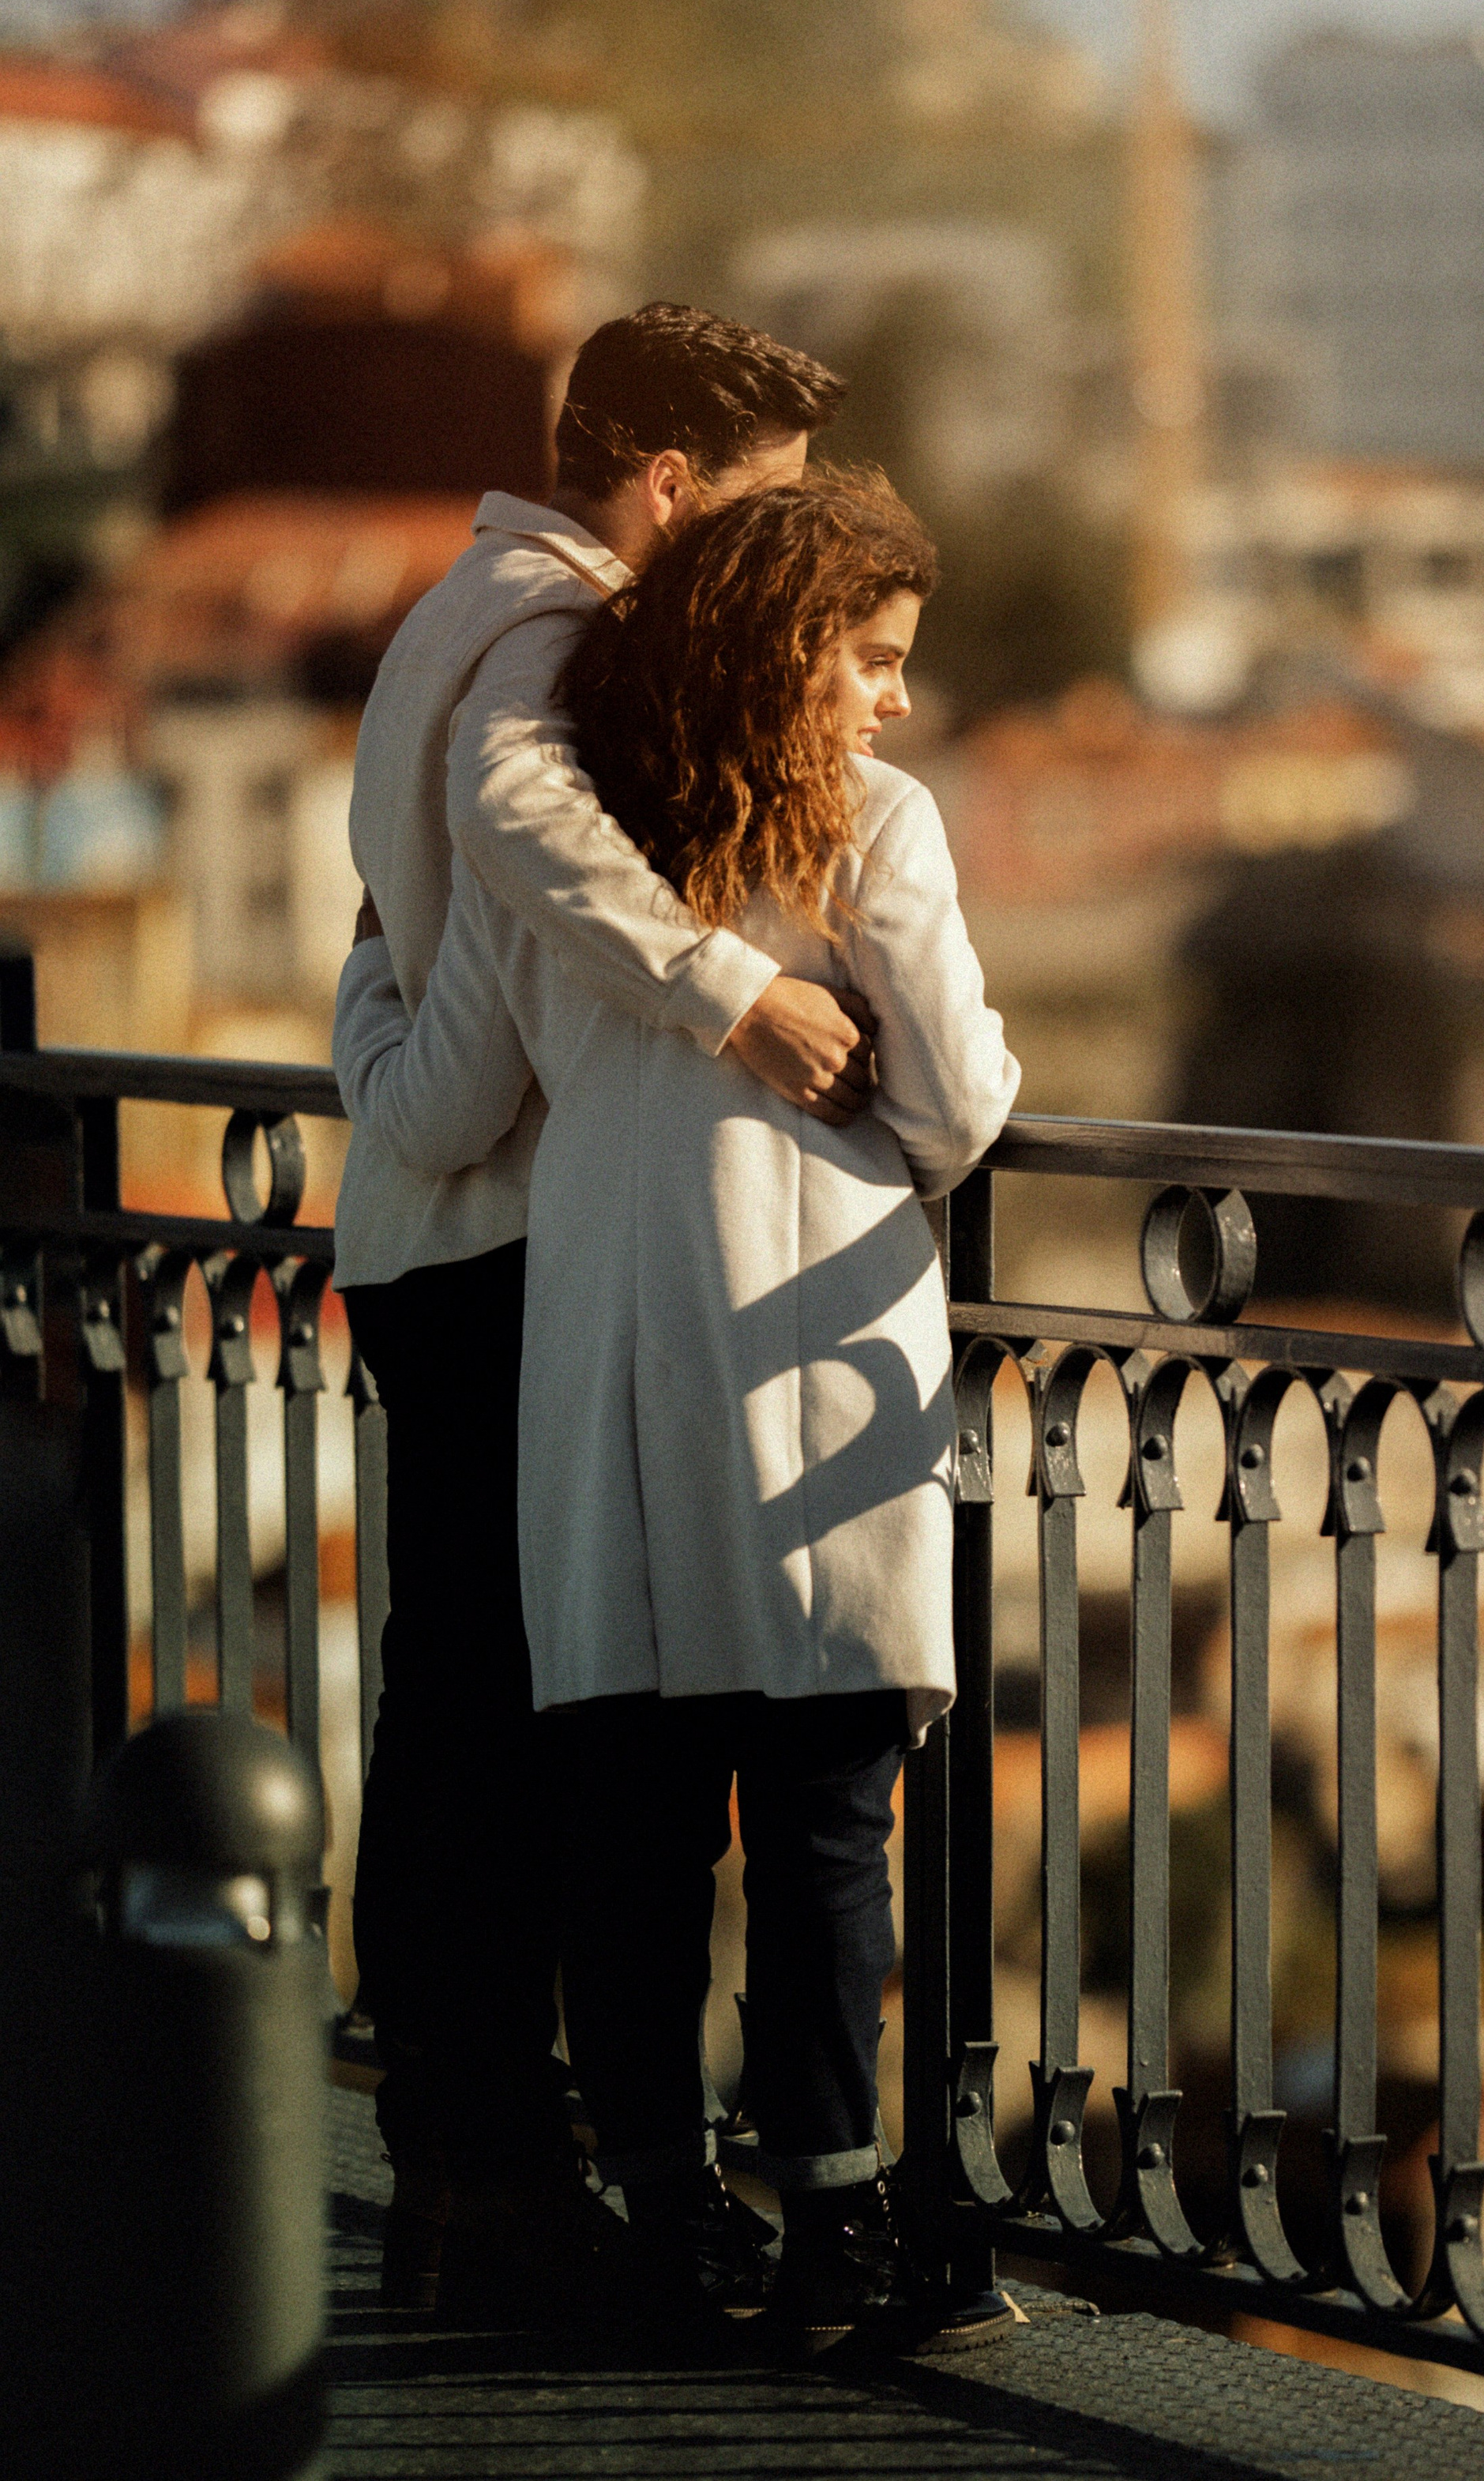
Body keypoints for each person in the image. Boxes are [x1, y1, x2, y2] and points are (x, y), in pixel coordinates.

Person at [333, 470, 1020, 2357]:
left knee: (631, 1831)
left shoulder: (557, 870)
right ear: (784, 649)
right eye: (871, 659)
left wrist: (355, 993)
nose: (890, 700)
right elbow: (958, 1101)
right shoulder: (873, 830)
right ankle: (837, 2223)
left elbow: (438, 1103)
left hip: (601, 1385)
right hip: (805, 1378)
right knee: (820, 1827)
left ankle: (658, 2211)